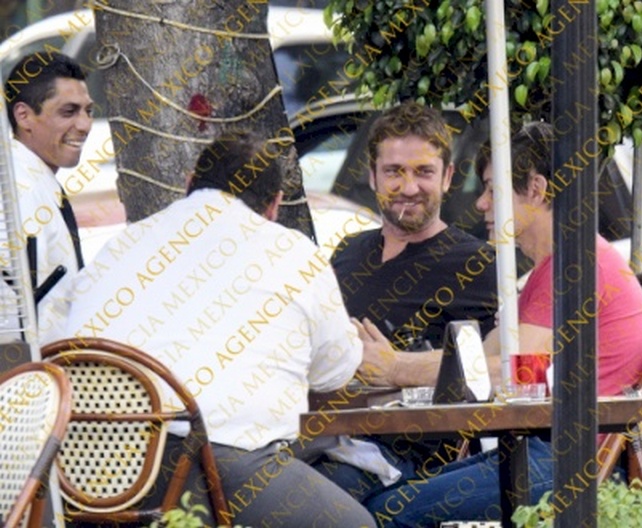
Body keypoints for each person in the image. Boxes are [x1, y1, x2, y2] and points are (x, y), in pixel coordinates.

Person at [63, 132, 376, 528]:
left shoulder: (119, 245)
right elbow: (336, 372)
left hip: (87, 469)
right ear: (275, 204)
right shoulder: (293, 251)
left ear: (189, 182)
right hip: (211, 462)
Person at [361, 121, 642, 527]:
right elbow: (481, 359)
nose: (481, 204)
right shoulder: (559, 266)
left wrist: (395, 367)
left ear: (535, 189)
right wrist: (391, 362)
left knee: (384, 512)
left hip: (575, 462)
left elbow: (504, 371)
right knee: (386, 500)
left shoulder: (575, 266)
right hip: (554, 451)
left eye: (493, 190)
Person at [315, 101, 499, 501]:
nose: (409, 187)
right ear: (373, 176)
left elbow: (492, 369)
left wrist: (396, 366)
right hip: (318, 437)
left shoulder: (476, 264)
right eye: (394, 172)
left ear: (447, 177)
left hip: (402, 460)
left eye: (423, 172)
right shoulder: (348, 251)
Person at [1, 51, 92, 344]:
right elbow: (11, 317)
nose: (84, 125)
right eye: (69, 112)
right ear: (24, 116)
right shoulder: (17, 189)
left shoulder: (33, 179)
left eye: (88, 111)